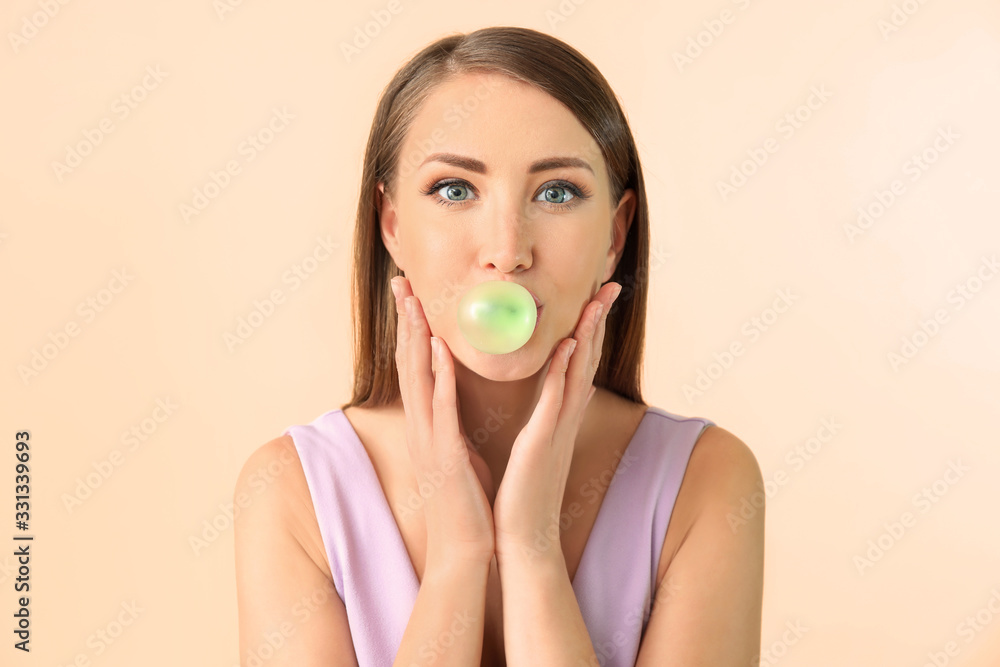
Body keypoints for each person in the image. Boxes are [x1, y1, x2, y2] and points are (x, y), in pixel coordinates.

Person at [235, 26, 764, 667]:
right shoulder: (292, 492)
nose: (507, 250)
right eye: (455, 190)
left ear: (615, 237)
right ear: (392, 225)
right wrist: (458, 553)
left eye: (557, 192)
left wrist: (531, 547)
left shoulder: (705, 482)